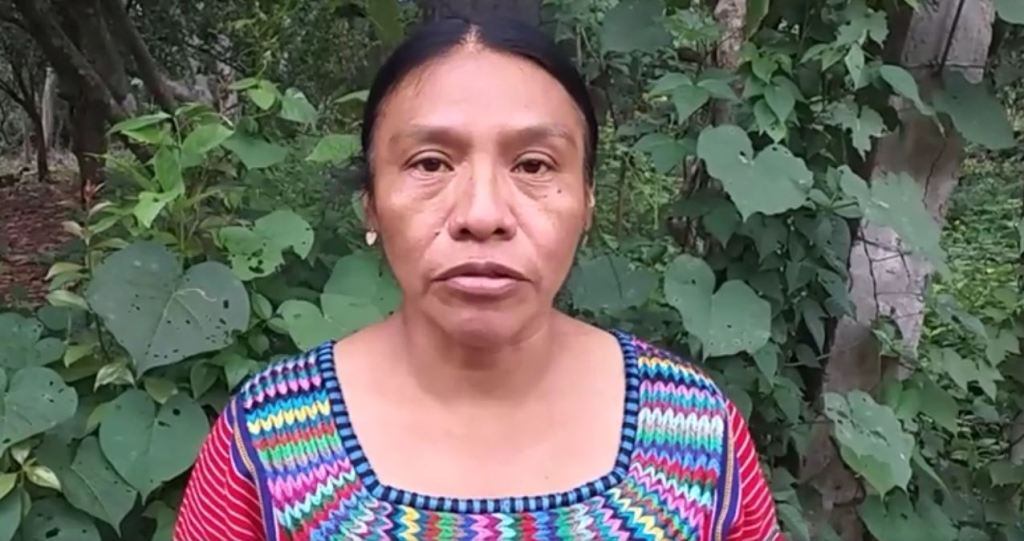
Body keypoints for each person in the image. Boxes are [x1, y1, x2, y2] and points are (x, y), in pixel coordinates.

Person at [174, 15, 781, 541]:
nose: (482, 214)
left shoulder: (696, 431)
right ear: (371, 204)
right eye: (430, 163)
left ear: (588, 201)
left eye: (534, 165)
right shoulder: (270, 438)